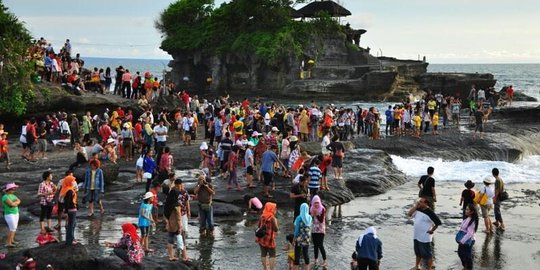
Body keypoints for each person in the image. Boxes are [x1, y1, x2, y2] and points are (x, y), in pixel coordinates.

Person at [407, 197, 442, 270]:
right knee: (418, 252)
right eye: (419, 201)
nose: (419, 202)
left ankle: (429, 269)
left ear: (426, 203)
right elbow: (409, 214)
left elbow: (438, 222)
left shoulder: (430, 213)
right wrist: (416, 206)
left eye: (421, 202)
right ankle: (417, 266)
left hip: (424, 237)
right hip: (416, 235)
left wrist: (432, 230)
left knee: (428, 255)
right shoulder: (418, 209)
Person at [256, 202, 279, 270]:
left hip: (262, 239)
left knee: (263, 254)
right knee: (272, 255)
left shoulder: (262, 216)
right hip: (270, 239)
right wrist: (276, 222)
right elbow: (276, 229)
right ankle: (271, 269)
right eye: (274, 209)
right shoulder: (272, 218)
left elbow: (258, 226)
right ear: (271, 209)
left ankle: (265, 268)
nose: (275, 210)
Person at [457, 204, 479, 270]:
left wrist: (462, 241)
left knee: (466, 255)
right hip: (464, 239)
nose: (465, 211)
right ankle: (466, 267)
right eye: (465, 209)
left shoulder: (472, 221)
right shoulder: (467, 218)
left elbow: (469, 234)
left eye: (467, 210)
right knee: (461, 253)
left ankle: (467, 267)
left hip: (468, 240)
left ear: (472, 212)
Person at [293, 203, 312, 270]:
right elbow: (310, 228)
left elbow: (296, 230)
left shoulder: (299, 217)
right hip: (307, 239)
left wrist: (294, 239)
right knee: (306, 254)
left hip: (299, 239)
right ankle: (307, 268)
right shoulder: (309, 217)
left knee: (297, 255)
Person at [61, 175, 78, 245]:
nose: (74, 182)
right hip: (72, 210)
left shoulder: (66, 189)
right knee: (71, 225)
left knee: (72, 224)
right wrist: (66, 212)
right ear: (69, 182)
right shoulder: (69, 191)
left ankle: (70, 239)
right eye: (73, 181)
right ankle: (70, 240)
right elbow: (67, 202)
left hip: (71, 209)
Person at [310, 195, 327, 267]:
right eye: (315, 203)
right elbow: (310, 219)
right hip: (314, 229)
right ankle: (315, 259)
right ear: (313, 202)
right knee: (315, 245)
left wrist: (316, 214)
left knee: (320, 245)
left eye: (317, 202)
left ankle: (325, 260)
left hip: (320, 230)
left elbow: (321, 220)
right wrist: (312, 215)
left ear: (319, 202)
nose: (316, 204)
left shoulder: (322, 209)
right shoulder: (311, 208)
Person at [3, 182, 21, 247]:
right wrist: (15, 203)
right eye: (13, 189)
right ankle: (8, 242)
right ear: (9, 189)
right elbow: (11, 204)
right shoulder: (5, 196)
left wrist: (15, 203)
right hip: (9, 214)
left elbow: (19, 201)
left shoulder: (13, 196)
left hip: (16, 212)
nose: (14, 190)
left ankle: (12, 240)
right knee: (12, 228)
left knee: (14, 228)